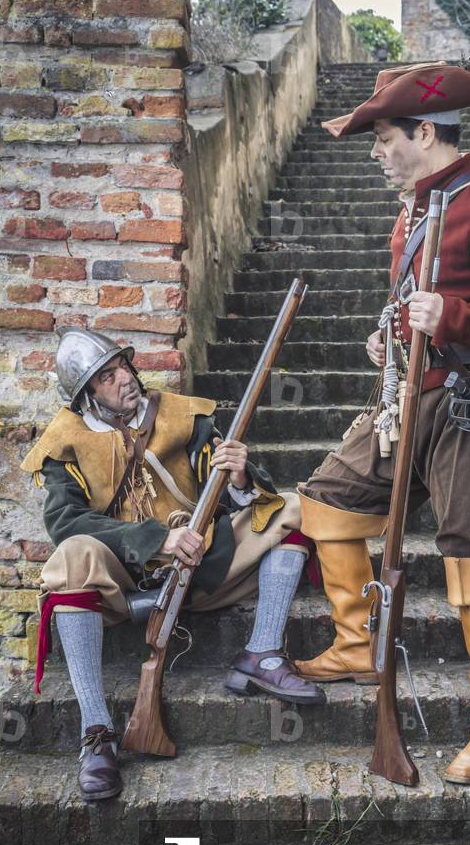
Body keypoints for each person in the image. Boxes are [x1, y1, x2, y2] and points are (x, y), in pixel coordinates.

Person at [293, 62, 470, 784]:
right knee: (327, 498)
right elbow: (414, 303)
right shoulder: (411, 212)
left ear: (424, 130)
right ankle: (356, 640)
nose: (377, 152)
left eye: (383, 138)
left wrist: (455, 317)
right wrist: (392, 335)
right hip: (407, 395)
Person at [21, 327, 324, 801]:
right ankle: (97, 732)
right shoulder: (65, 443)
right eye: (106, 375)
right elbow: (65, 523)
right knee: (70, 556)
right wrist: (155, 539)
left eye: (122, 365)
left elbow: (227, 489)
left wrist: (241, 475)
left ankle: (262, 651)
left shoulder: (186, 415)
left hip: (205, 566)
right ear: (88, 395)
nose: (123, 377)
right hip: (123, 581)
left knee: (289, 508)